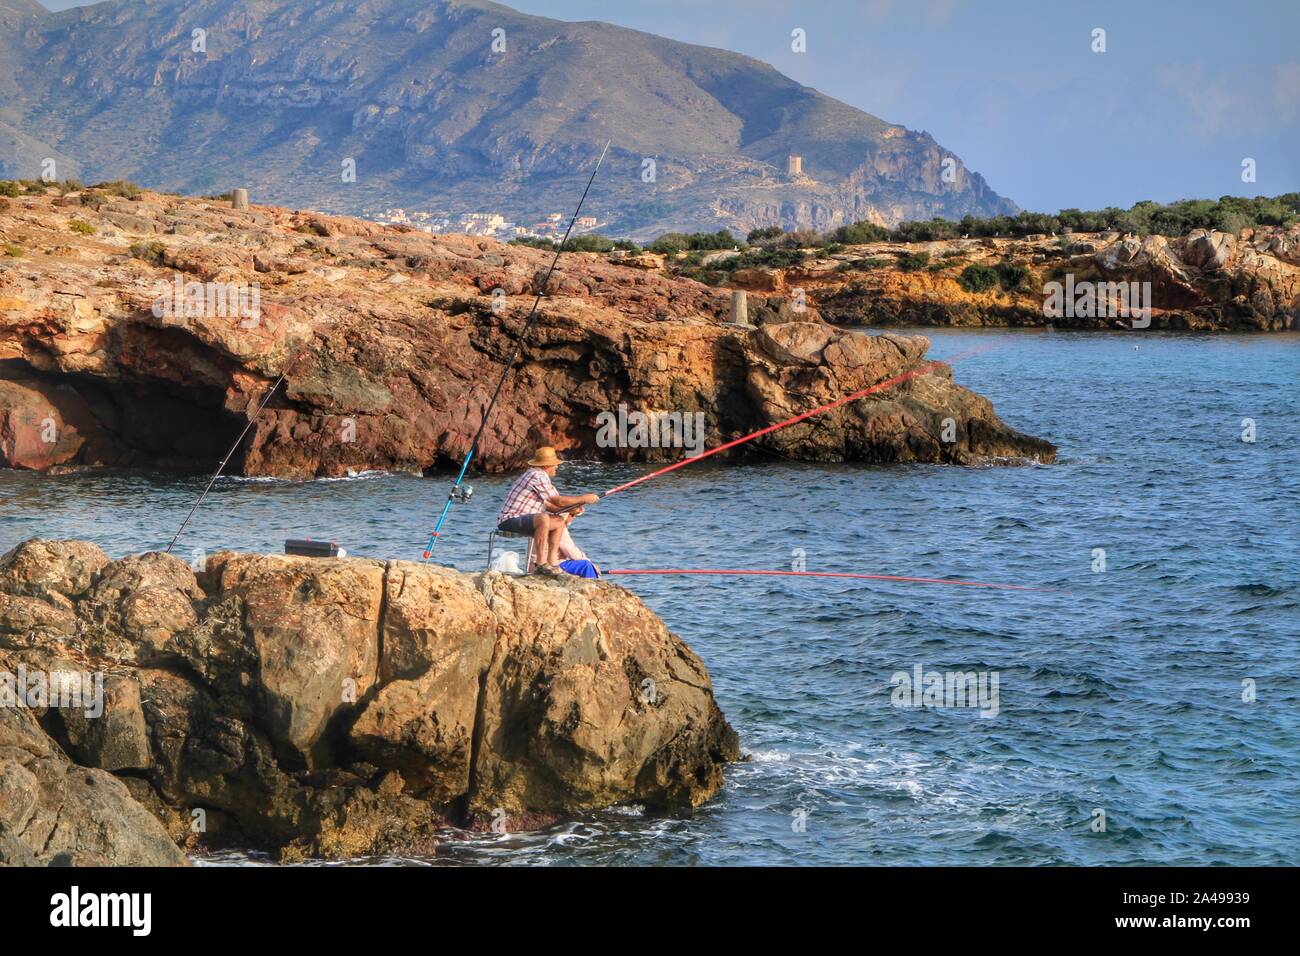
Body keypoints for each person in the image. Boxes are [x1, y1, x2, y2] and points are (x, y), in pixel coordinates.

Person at [496, 446, 599, 574]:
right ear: (547, 465)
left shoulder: (538, 476)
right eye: (555, 465)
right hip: (510, 520)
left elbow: (553, 506)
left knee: (559, 521)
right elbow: (558, 501)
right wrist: (584, 498)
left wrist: (573, 509)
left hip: (524, 520)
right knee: (543, 518)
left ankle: (551, 562)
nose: (556, 467)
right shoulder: (537, 476)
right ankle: (541, 563)